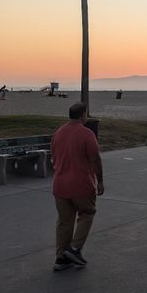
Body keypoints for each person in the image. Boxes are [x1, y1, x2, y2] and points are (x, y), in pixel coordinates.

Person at [51, 102, 104, 271]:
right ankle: (74, 249)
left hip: (60, 185)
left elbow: (54, 157)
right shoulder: (87, 134)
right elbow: (95, 159)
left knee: (64, 221)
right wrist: (100, 181)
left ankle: (61, 258)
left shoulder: (58, 133)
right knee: (87, 213)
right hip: (81, 184)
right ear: (83, 115)